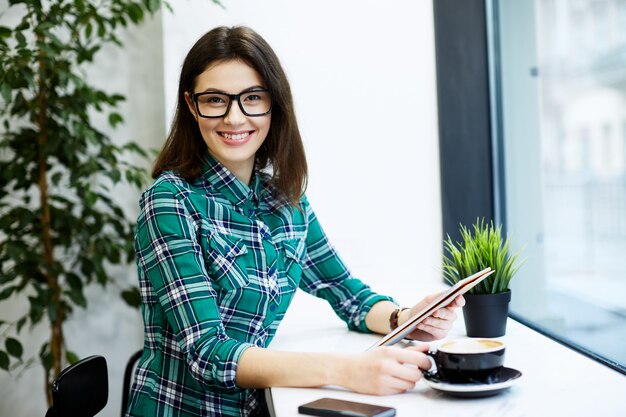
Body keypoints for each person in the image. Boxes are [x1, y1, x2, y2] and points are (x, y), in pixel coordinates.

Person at [126, 26, 465, 417]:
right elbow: (209, 353)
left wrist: (405, 318)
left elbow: (346, 293)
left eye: (252, 98)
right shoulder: (169, 202)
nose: (234, 118)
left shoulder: (286, 201)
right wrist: (349, 371)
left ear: (274, 104)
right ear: (191, 104)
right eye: (215, 100)